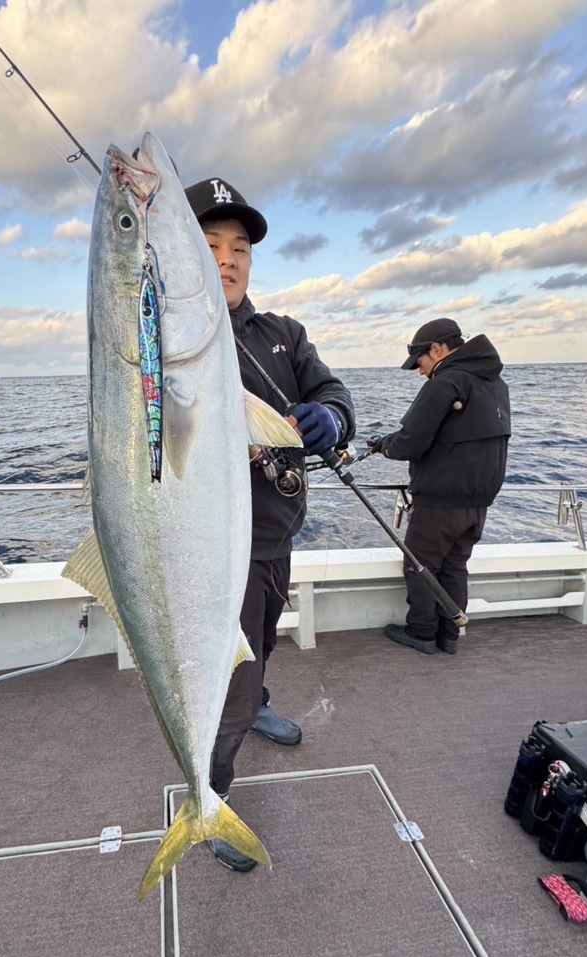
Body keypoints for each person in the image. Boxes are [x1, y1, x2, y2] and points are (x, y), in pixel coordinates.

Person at [184, 176, 356, 871]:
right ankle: (209, 800)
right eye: (209, 245)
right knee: (226, 688)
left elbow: (332, 389)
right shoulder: (175, 340)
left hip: (278, 535)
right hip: (218, 553)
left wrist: (332, 417)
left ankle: (256, 704)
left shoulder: (285, 335)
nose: (227, 260)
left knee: (262, 646)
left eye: (240, 248)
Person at [367, 318, 510, 656]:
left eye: (420, 361)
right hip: (478, 503)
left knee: (420, 566)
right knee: (455, 566)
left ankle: (422, 633)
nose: (420, 371)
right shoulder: (496, 383)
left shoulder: (446, 382)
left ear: (437, 349)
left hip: (440, 500)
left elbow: (410, 442)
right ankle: (449, 636)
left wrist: (382, 445)